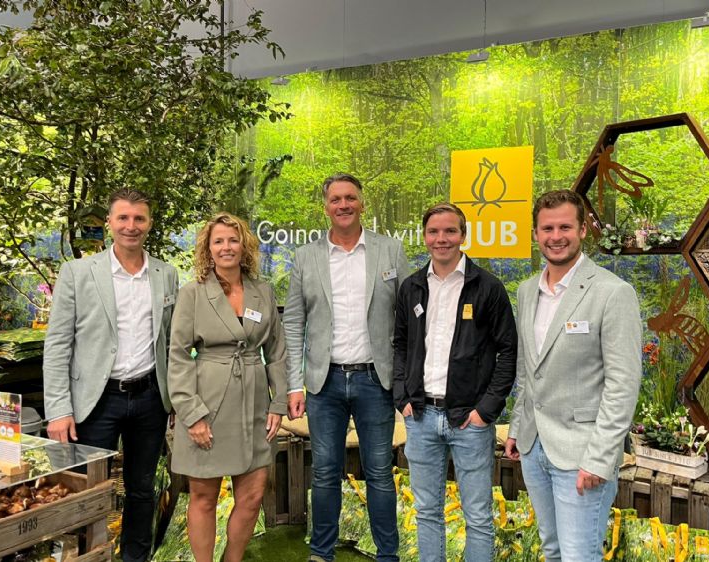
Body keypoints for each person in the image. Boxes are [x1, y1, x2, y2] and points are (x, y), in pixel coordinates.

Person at [505, 190, 642, 562]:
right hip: (534, 447)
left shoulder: (613, 293)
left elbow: (622, 385)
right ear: (535, 234)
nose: (556, 236)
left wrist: (600, 458)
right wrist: (517, 427)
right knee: (552, 550)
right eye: (547, 228)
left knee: (579, 556)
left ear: (582, 230)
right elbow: (527, 370)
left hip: (582, 453)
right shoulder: (527, 291)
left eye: (565, 227)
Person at [43, 188, 178, 562]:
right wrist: (58, 409)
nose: (131, 226)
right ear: (109, 222)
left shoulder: (166, 275)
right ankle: (89, 556)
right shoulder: (78, 273)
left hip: (150, 398)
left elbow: (170, 342)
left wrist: (174, 398)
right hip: (95, 400)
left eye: (139, 218)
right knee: (88, 492)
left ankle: (135, 557)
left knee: (142, 489)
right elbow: (58, 344)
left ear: (149, 223)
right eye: (123, 218)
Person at [284, 173, 410, 562]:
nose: (343, 205)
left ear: (362, 203)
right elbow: (294, 323)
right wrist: (294, 384)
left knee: (379, 472)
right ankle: (321, 553)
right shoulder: (306, 257)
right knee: (324, 472)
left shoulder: (390, 251)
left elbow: (408, 318)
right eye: (336, 199)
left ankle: (388, 555)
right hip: (325, 383)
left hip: (376, 380)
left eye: (350, 198)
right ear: (326, 207)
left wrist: (404, 378)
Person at [393, 202, 517, 562]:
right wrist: (402, 396)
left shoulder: (488, 288)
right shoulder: (411, 287)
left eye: (450, 231)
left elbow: (508, 352)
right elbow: (400, 344)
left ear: (463, 235)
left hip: (469, 420)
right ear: (424, 236)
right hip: (421, 416)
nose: (441, 238)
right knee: (427, 511)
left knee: (477, 516)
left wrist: (485, 410)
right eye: (433, 231)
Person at [168, 212, 287, 562]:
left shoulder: (262, 291)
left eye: (233, 240)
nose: (226, 247)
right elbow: (178, 355)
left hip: (254, 403)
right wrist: (191, 413)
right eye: (218, 241)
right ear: (208, 248)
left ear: (244, 246)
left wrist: (278, 402)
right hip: (207, 403)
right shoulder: (192, 294)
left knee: (252, 497)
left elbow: (277, 351)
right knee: (204, 497)